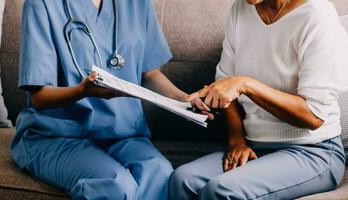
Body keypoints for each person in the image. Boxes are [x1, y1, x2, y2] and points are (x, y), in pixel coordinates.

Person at [11, 0, 212, 199]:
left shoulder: (137, 4)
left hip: (123, 134)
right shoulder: (41, 4)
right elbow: (39, 98)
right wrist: (83, 91)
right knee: (114, 185)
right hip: (57, 134)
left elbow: (149, 73)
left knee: (159, 172)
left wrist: (184, 99)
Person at [170, 0, 348, 199]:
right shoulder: (240, 8)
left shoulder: (317, 14)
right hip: (256, 146)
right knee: (183, 180)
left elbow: (313, 116)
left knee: (222, 190)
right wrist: (237, 142)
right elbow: (225, 83)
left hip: (313, 151)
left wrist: (246, 85)